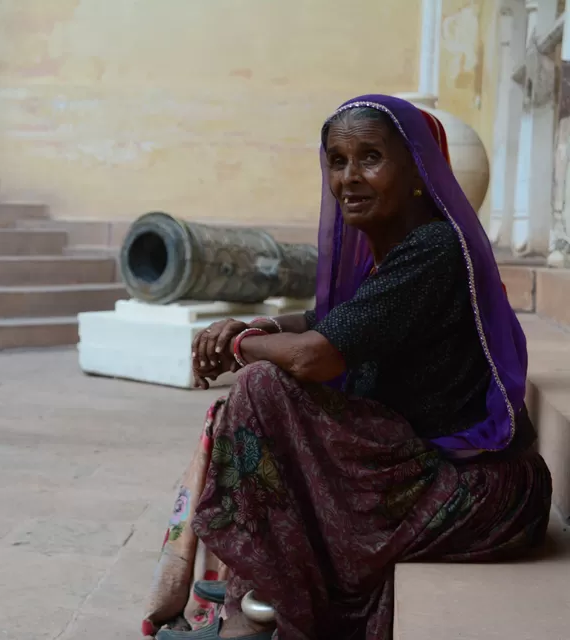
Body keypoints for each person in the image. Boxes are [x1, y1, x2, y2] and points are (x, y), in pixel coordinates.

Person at [142, 95, 553, 640]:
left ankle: (259, 612)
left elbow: (315, 355)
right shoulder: (395, 248)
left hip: (474, 489)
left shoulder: (433, 248)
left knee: (265, 389)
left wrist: (239, 347)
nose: (350, 177)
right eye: (337, 161)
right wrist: (256, 327)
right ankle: (248, 601)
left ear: (415, 169)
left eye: (371, 158)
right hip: (429, 467)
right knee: (248, 412)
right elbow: (326, 319)